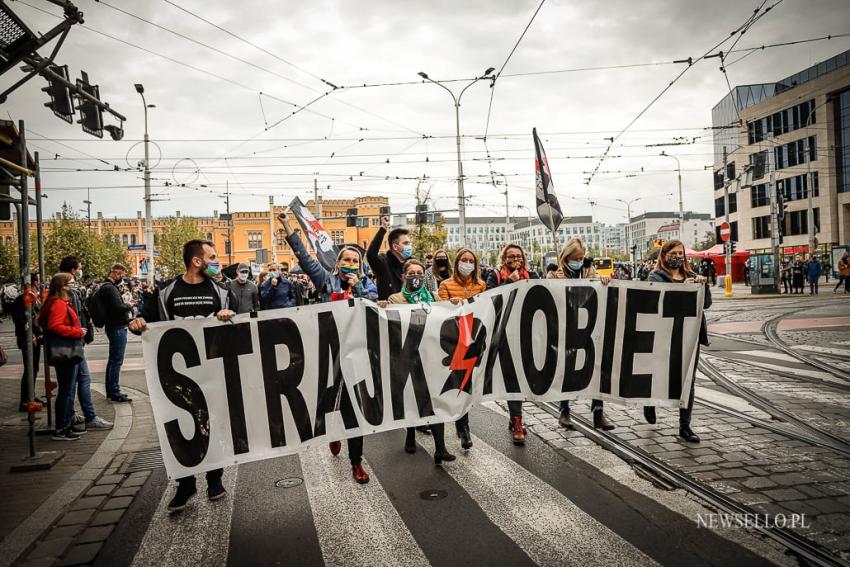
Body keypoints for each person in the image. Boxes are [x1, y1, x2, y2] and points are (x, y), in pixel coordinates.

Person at [128, 239, 234, 512]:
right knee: (179, 425)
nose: (216, 261)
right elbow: (144, 321)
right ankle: (185, 486)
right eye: (212, 257)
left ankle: (214, 479)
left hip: (211, 371)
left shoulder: (222, 291)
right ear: (196, 261)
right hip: (175, 373)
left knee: (213, 424)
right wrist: (137, 323)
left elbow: (240, 324)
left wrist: (229, 315)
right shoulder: (165, 291)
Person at [279, 212, 376, 483]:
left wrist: (357, 290)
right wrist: (288, 226)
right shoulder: (325, 280)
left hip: (355, 354)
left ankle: (356, 462)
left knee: (356, 408)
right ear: (338, 262)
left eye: (355, 260)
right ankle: (333, 434)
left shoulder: (366, 285)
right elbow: (304, 256)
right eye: (346, 259)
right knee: (326, 399)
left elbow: (373, 308)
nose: (350, 263)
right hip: (327, 352)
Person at [382, 259, 456, 465]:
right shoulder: (395, 299)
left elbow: (445, 318)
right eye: (412, 273)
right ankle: (411, 433)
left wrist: (455, 306)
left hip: (430, 356)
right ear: (404, 276)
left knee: (434, 400)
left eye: (419, 273)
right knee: (413, 398)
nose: (416, 276)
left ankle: (440, 448)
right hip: (408, 356)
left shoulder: (433, 297)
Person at [643, 239, 711, 443]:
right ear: (664, 256)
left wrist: (703, 286)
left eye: (681, 253)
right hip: (665, 335)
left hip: (690, 335)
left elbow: (706, 304)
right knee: (659, 375)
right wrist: (682, 291)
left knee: (687, 381)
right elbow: (654, 302)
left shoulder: (691, 275)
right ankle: (649, 402)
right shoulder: (655, 277)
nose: (678, 257)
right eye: (674, 253)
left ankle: (685, 426)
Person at [554, 238, 615, 431]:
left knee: (597, 365)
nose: (578, 261)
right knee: (567, 367)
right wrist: (556, 280)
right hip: (567, 325)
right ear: (566, 257)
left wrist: (603, 281)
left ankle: (598, 410)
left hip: (589, 325)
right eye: (574, 258)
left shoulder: (589, 269)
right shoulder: (555, 271)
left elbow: (597, 289)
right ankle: (564, 410)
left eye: (581, 257)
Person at [437, 248, 487, 450]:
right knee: (460, 385)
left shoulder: (481, 285)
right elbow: (439, 310)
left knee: (468, 386)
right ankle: (463, 427)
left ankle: (462, 424)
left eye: (470, 260)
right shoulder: (446, 284)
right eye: (463, 260)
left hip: (474, 343)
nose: (467, 263)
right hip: (453, 343)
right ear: (457, 262)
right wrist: (450, 304)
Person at [486, 244, 535, 445]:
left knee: (524, 377)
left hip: (527, 332)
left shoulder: (531, 275)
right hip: (505, 333)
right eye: (511, 256)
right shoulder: (495, 275)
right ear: (504, 258)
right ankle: (517, 420)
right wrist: (508, 282)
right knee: (512, 376)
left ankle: (515, 416)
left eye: (518, 256)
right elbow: (488, 299)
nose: (515, 259)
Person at [59, 256, 110, 431]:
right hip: (74, 342)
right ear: (73, 270)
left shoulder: (61, 290)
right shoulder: (70, 292)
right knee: (80, 379)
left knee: (72, 381)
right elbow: (74, 317)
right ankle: (86, 418)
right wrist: (80, 332)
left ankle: (71, 416)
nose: (80, 271)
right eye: (79, 268)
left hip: (71, 341)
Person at [38, 273, 86, 440]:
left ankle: (64, 426)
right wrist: (77, 332)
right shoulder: (58, 303)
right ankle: (62, 428)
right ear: (63, 286)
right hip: (66, 351)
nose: (75, 284)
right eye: (72, 282)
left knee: (66, 390)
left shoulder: (60, 302)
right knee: (66, 391)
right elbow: (55, 325)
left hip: (65, 350)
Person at [99, 264, 134, 403]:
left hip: (114, 326)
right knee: (116, 361)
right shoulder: (109, 288)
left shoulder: (107, 287)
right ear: (115, 273)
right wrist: (129, 305)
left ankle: (112, 390)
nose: (122, 278)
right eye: (121, 275)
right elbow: (117, 307)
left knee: (113, 360)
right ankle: (114, 391)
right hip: (117, 327)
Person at [11, 274, 42, 412]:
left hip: (34, 338)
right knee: (30, 368)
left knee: (34, 368)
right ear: (34, 282)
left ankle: (31, 395)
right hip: (28, 339)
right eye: (39, 280)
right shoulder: (22, 300)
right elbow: (22, 320)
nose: (41, 282)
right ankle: (25, 400)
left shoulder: (34, 298)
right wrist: (30, 335)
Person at [366, 216, 411, 300]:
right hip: (389, 309)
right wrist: (383, 229)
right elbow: (371, 255)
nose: (409, 246)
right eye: (406, 243)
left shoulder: (412, 263)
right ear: (395, 246)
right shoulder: (383, 263)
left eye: (409, 243)